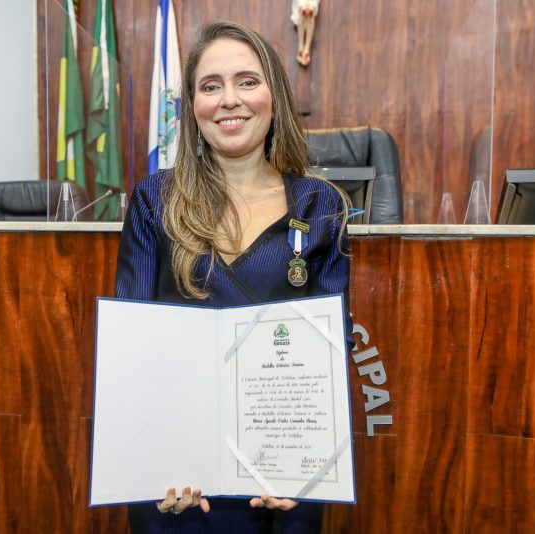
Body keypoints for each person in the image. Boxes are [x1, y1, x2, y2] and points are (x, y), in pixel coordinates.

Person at [115, 20, 353, 534]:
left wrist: (303, 467)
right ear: (192, 106)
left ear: (275, 95)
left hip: (282, 482)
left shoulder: (321, 205)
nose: (229, 100)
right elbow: (132, 353)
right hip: (175, 480)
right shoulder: (154, 201)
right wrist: (155, 459)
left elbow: (328, 357)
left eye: (247, 81)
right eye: (210, 85)